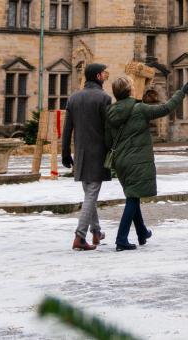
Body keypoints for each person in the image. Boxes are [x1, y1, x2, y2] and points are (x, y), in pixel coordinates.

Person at [104, 75, 188, 251]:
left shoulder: (110, 112)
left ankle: (142, 232)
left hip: (120, 161)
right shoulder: (139, 109)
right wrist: (181, 93)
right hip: (137, 160)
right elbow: (166, 108)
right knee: (133, 199)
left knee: (132, 194)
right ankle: (121, 239)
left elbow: (107, 140)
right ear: (129, 91)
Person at [61, 63, 111, 251]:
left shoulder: (74, 98)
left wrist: (65, 152)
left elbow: (67, 130)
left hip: (80, 152)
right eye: (104, 73)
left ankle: (96, 231)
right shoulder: (104, 98)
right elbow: (108, 130)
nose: (106, 76)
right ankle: (80, 236)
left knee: (89, 192)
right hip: (98, 153)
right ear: (98, 76)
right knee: (91, 194)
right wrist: (112, 150)